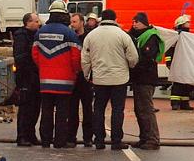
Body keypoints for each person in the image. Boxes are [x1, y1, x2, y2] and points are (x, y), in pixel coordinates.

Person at [82, 9, 138, 150]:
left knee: (99, 109)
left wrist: (87, 73)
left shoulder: (91, 35)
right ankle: (116, 141)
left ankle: (99, 140)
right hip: (119, 79)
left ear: (102, 19)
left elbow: (85, 58)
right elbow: (133, 57)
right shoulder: (122, 35)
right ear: (115, 19)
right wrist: (129, 67)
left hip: (100, 79)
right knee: (117, 110)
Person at [32, 1, 82, 148]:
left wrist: (44, 68)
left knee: (46, 111)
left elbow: (35, 55)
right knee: (62, 113)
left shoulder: (40, 32)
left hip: (45, 80)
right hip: (65, 82)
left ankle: (45, 141)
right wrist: (75, 71)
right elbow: (75, 58)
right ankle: (60, 142)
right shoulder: (70, 33)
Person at [128, 12, 164, 150]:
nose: (134, 24)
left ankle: (152, 139)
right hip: (139, 78)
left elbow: (147, 57)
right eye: (133, 21)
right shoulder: (139, 36)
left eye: (137, 21)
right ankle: (144, 138)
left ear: (144, 22)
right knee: (140, 110)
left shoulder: (150, 36)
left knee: (146, 109)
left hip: (146, 78)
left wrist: (134, 65)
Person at [13, 12, 42, 146]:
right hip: (25, 77)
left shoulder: (36, 35)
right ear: (28, 22)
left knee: (35, 107)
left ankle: (31, 134)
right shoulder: (21, 36)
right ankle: (22, 136)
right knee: (25, 108)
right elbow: (20, 57)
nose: (38, 23)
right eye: (36, 21)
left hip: (35, 76)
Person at [67, 13, 94, 147]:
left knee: (88, 108)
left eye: (75, 22)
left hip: (86, 77)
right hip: (72, 77)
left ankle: (88, 137)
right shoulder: (69, 37)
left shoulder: (89, 37)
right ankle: (71, 137)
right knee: (72, 110)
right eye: (71, 22)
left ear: (82, 22)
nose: (72, 24)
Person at [166, 14, 194, 110]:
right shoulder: (176, 35)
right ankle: (175, 103)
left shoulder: (188, 36)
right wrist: (169, 62)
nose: (189, 24)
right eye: (187, 22)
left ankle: (184, 103)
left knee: (186, 83)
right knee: (177, 83)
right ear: (181, 24)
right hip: (177, 62)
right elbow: (169, 49)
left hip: (185, 62)